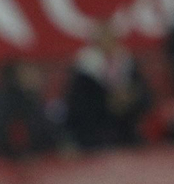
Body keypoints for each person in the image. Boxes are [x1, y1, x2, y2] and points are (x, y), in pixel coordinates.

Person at [63, 22, 152, 150]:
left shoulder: (126, 62)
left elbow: (146, 95)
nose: (109, 42)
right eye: (104, 38)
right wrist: (109, 103)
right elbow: (77, 107)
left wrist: (131, 99)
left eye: (111, 37)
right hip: (95, 134)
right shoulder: (85, 68)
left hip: (126, 130)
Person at [0, 59, 65, 158]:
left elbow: (49, 133)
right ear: (15, 76)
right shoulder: (7, 102)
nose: (37, 76)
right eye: (28, 71)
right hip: (11, 160)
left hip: (39, 158)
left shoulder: (36, 101)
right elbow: (6, 133)